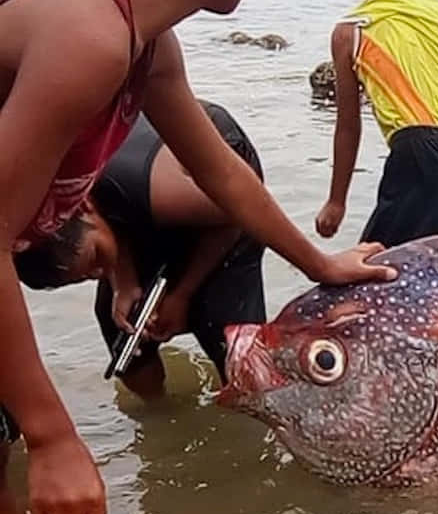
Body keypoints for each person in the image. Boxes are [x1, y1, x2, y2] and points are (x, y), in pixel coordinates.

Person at [0, 0, 395, 514]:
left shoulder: (147, 45)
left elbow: (223, 175)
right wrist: (53, 438)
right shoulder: (89, 36)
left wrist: (320, 264)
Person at [14, 100, 267, 398]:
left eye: (96, 259)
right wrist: (123, 281)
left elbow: (244, 212)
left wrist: (183, 294)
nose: (99, 273)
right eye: (86, 277)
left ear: (84, 209)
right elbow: (100, 229)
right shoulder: (46, 194)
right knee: (120, 322)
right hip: (130, 199)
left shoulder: (160, 192)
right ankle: (158, 415)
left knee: (233, 347)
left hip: (224, 189)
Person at [314, 0, 438, 248]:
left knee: (376, 264)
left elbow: (348, 127)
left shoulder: (351, 31)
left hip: (418, 154)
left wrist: (336, 202)